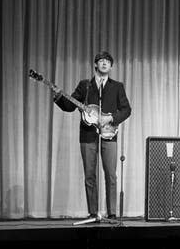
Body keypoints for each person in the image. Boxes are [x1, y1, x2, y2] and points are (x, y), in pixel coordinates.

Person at [52, 51, 132, 220]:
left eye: (107, 61)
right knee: (90, 175)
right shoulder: (85, 85)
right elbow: (70, 105)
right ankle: (93, 213)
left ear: (111, 66)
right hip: (88, 135)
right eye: (101, 61)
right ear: (95, 65)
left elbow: (126, 109)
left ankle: (112, 213)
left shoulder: (117, 86)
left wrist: (110, 118)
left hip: (109, 134)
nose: (104, 63)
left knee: (111, 174)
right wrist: (58, 96)